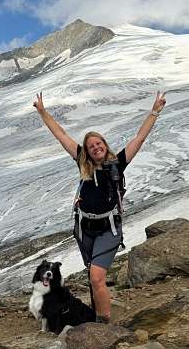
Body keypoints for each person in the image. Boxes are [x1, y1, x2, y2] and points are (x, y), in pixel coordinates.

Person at [33, 91, 166, 324]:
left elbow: (140, 138)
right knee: (93, 275)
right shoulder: (82, 163)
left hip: (108, 229)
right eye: (91, 146)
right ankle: (97, 315)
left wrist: (155, 110)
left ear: (105, 145)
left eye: (98, 143)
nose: (95, 147)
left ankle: (103, 324)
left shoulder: (117, 165)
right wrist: (43, 112)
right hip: (85, 229)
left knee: (96, 277)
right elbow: (60, 134)